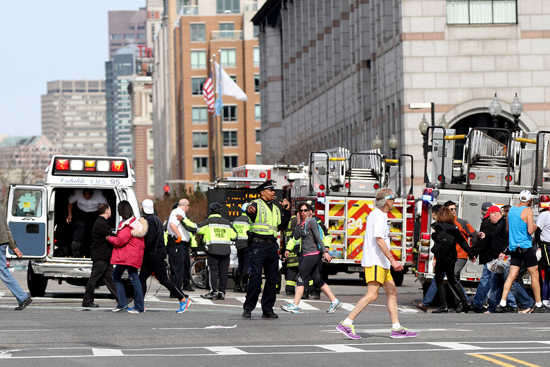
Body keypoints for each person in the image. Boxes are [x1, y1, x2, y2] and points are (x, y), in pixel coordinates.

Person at [336, 189, 417, 339]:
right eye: (393, 199)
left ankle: (396, 328)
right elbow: (379, 240)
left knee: (392, 292)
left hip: (382, 262)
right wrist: (393, 260)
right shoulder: (378, 215)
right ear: (387, 201)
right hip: (375, 261)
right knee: (372, 295)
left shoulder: (381, 215)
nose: (394, 201)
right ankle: (346, 323)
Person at [281, 202, 342, 314]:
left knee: (300, 277)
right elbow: (296, 237)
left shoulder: (312, 221)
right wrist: (298, 224)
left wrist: (325, 252)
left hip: (312, 254)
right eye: (301, 211)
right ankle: (334, 301)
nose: (303, 212)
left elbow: (319, 238)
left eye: (305, 210)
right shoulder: (302, 223)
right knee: (317, 281)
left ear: (310, 211)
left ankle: (295, 305)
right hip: (305, 254)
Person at [242, 180, 291, 319]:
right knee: (256, 277)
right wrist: (248, 210)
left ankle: (267, 308)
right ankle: (248, 307)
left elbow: (282, 225)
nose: (273, 192)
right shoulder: (255, 204)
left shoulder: (276, 208)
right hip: (258, 244)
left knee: (272, 278)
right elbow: (250, 211)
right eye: (270, 190)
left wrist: (286, 211)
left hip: (271, 245)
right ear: (262, 192)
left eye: (273, 190)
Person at [498, 190, 549, 313]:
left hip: (514, 247)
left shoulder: (511, 210)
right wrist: (535, 226)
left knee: (512, 275)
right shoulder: (528, 210)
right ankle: (538, 304)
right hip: (525, 247)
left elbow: (508, 228)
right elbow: (531, 231)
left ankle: (502, 303)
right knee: (534, 274)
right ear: (529, 199)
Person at [139, 199, 191, 313]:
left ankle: (183, 299)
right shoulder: (156, 219)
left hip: (153, 255)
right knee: (143, 278)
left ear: (143, 208)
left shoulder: (150, 221)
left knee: (162, 280)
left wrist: (140, 248)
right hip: (155, 255)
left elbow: (150, 239)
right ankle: (139, 304)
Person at [483, 205, 533, 313]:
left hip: (506, 258)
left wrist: (504, 252)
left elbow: (509, 239)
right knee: (495, 283)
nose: (488, 218)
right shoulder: (496, 225)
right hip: (499, 260)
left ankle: (528, 303)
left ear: (495, 214)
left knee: (511, 283)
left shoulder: (504, 224)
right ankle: (493, 308)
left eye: (489, 216)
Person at [184, 202, 237, 300]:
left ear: (211, 211)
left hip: (213, 250)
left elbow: (195, 228)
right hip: (225, 251)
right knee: (224, 272)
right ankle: (222, 293)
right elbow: (234, 236)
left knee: (212, 271)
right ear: (220, 211)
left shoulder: (207, 222)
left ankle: (213, 291)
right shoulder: (227, 222)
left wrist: (183, 220)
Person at [431, 207, 476, 313]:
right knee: (452, 280)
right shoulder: (454, 228)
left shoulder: (438, 226)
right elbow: (462, 242)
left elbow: (436, 239)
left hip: (441, 256)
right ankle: (465, 303)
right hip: (452, 257)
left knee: (439, 279)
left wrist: (434, 234)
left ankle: (444, 305)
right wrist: (471, 254)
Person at [108, 201, 147, 313]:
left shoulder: (127, 225)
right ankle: (123, 303)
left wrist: (109, 238)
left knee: (133, 278)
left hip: (128, 256)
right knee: (117, 275)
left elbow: (120, 241)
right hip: (132, 255)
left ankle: (138, 306)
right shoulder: (135, 222)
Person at [82, 203, 118, 308]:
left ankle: (121, 299)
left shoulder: (101, 222)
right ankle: (87, 301)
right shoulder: (101, 223)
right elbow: (111, 235)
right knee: (93, 279)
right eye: (110, 210)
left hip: (104, 256)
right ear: (106, 211)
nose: (111, 212)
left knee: (110, 279)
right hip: (101, 256)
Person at [0, 203, 32, 311]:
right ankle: (22, 297)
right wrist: (13, 247)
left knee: (3, 272)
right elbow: (6, 228)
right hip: (3, 242)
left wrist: (13, 247)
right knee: (3, 271)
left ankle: (23, 297)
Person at [444, 200, 475, 304]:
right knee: (453, 279)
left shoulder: (462, 222)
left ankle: (463, 302)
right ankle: (462, 303)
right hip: (449, 256)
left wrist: (471, 251)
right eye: (451, 209)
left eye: (455, 209)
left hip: (461, 255)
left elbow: (474, 235)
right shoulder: (444, 224)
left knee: (452, 276)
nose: (454, 211)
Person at [412, 204, 441, 312]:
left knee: (451, 281)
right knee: (450, 281)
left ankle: (426, 303)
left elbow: (442, 244)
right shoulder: (443, 225)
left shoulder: (442, 226)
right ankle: (442, 304)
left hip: (446, 259)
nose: (432, 215)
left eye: (433, 213)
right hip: (447, 258)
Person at [470, 202, 497, 312]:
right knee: (494, 281)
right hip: (493, 255)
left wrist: (474, 252)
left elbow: (483, 241)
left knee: (486, 280)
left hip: (489, 256)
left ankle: (478, 302)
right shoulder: (495, 223)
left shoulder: (486, 222)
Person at [66, 189, 107, 257]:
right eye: (85, 195)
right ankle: (76, 244)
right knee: (80, 226)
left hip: (94, 213)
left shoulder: (99, 195)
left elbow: (105, 206)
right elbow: (70, 202)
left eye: (88, 196)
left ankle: (93, 249)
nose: (87, 197)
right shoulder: (77, 193)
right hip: (81, 212)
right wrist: (69, 214)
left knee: (92, 230)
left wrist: (104, 216)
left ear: (92, 194)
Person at [167, 199, 194, 296]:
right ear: (186, 206)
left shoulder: (178, 212)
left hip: (180, 245)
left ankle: (176, 292)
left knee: (178, 268)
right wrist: (179, 235)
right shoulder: (178, 212)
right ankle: (177, 292)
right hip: (177, 243)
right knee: (177, 269)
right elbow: (172, 224)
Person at [232, 203, 251, 292]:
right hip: (247, 244)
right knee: (246, 266)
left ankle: (237, 285)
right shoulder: (249, 220)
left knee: (240, 265)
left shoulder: (236, 220)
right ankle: (244, 285)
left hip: (238, 244)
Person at [536, 199, 550, 307]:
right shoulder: (545, 215)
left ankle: (546, 299)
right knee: (548, 271)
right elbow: (538, 230)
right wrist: (538, 246)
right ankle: (545, 299)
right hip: (546, 245)